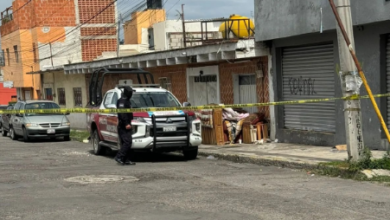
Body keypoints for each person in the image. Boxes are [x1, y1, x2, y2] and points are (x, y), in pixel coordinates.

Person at [114, 86, 136, 166]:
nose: (131, 94)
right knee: (127, 142)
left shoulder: (126, 100)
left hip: (127, 123)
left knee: (126, 142)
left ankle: (126, 159)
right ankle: (119, 157)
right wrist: (126, 123)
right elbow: (122, 113)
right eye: (131, 93)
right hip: (123, 125)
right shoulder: (122, 101)